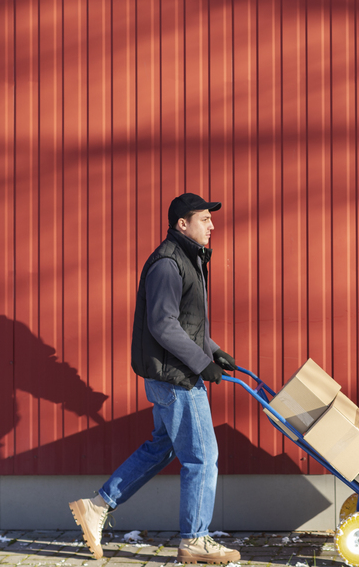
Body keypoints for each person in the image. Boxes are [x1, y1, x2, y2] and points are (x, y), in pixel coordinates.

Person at [69, 193, 241, 564]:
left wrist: (212, 351)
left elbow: (185, 324)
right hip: (176, 378)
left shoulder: (188, 259)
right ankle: (195, 538)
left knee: (161, 448)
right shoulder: (168, 263)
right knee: (202, 456)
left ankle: (96, 506)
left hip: (175, 371)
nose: (212, 225)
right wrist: (200, 363)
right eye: (204, 219)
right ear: (183, 224)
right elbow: (163, 325)